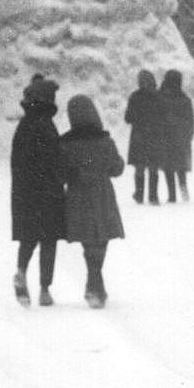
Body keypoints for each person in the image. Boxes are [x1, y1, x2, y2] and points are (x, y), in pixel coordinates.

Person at [59, 95, 125, 309]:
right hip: (102, 194)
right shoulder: (105, 141)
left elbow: (61, 173)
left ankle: (94, 283)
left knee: (88, 241)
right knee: (102, 238)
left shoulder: (66, 144)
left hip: (78, 196)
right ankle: (95, 283)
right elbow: (117, 168)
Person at [10, 76, 64, 307]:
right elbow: (56, 160)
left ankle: (21, 271)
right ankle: (44, 289)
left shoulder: (23, 126)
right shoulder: (47, 126)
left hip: (24, 193)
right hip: (48, 192)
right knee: (48, 241)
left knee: (28, 237)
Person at [124, 70, 164, 205]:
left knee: (139, 166)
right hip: (155, 136)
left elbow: (128, 118)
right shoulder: (158, 96)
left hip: (139, 136)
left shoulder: (135, 96)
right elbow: (164, 117)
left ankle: (139, 195)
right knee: (153, 167)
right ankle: (153, 196)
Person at [159, 69, 193, 203]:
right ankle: (184, 189)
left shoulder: (161, 98)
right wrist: (188, 135)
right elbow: (190, 120)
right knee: (181, 165)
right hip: (181, 136)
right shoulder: (184, 99)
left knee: (168, 166)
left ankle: (171, 194)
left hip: (166, 136)